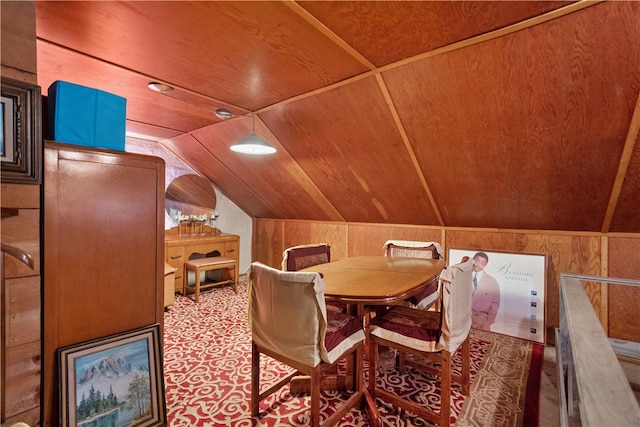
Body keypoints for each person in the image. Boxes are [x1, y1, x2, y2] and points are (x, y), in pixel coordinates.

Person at [471, 252, 500, 331]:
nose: (478, 264)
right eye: (477, 260)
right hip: (461, 320)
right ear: (472, 260)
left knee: (480, 343)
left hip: (481, 322)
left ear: (485, 265)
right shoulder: (462, 275)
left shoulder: (492, 281)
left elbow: (495, 304)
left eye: (482, 263)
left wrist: (488, 320)